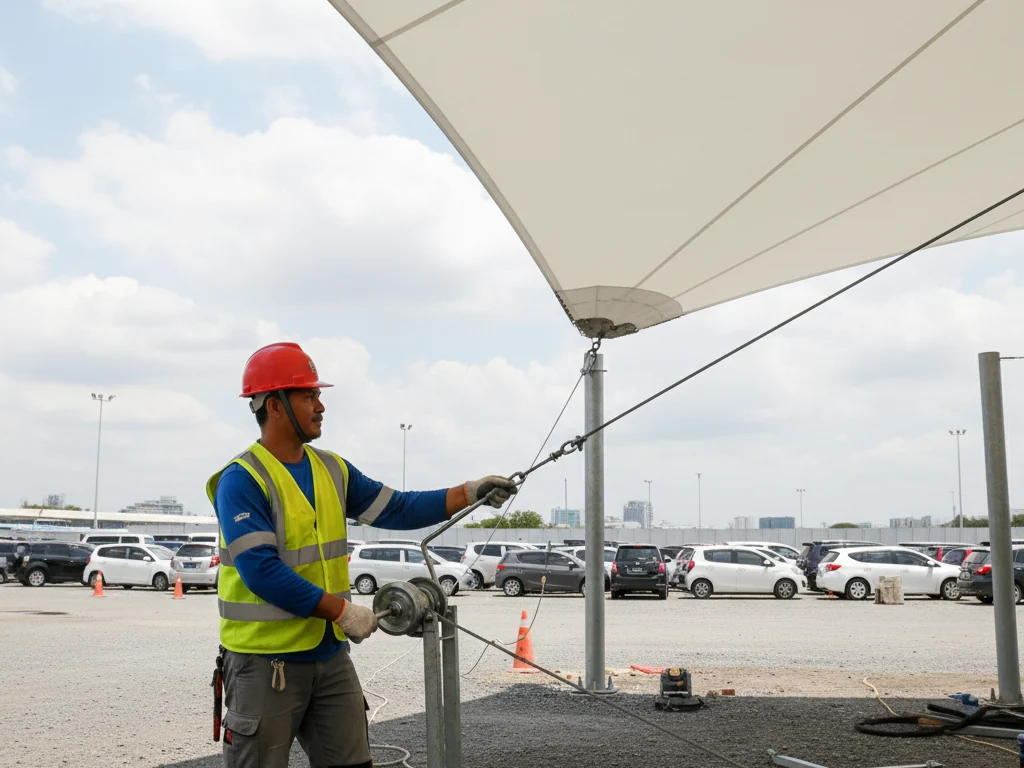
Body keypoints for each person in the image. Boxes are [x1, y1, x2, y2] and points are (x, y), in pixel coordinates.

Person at [208, 342, 515, 768]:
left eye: (318, 395)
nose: (321, 406)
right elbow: (261, 572)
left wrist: (468, 492)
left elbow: (397, 508)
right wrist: (341, 611)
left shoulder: (332, 469)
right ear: (273, 406)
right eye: (308, 395)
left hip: (329, 656)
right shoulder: (242, 480)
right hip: (265, 664)